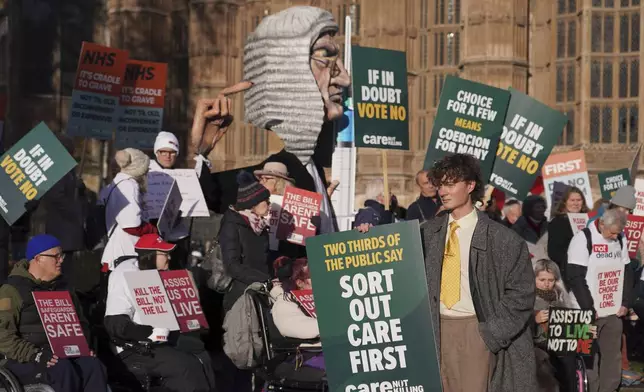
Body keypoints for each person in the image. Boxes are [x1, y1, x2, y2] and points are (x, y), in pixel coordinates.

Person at [202, 6, 351, 235]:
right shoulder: (270, 169)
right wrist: (201, 153)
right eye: (323, 56)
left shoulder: (313, 168)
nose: (344, 77)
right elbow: (203, 200)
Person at [423, 153, 536, 392]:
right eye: (440, 184)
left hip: (477, 331)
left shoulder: (503, 239)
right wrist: (368, 234)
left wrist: (490, 335)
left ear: (470, 185)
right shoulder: (426, 233)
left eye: (450, 184)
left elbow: (522, 293)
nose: (443, 191)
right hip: (434, 330)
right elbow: (396, 259)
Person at [104, 234, 215, 392]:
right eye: (164, 254)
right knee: (186, 366)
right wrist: (145, 332)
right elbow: (115, 323)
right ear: (150, 256)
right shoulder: (125, 275)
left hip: (166, 339)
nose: (169, 258)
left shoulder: (161, 274)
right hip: (135, 345)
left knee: (201, 354)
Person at [0, 234, 107, 392]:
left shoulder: (65, 288)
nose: (61, 260)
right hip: (25, 358)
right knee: (62, 369)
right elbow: (3, 335)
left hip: (62, 353)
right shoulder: (12, 290)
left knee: (93, 366)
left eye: (61, 255)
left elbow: (81, 323)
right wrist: (35, 354)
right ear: (38, 258)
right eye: (55, 256)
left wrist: (83, 346)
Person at [566, 208, 632, 392]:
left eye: (617, 233)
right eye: (611, 232)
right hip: (585, 310)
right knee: (588, 358)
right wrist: (589, 308)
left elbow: (626, 271)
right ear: (601, 224)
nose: (614, 237)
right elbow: (575, 277)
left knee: (612, 356)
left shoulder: (620, 237)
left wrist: (625, 303)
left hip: (612, 310)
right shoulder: (582, 239)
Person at [219, 171, 272, 312]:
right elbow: (232, 265)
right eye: (265, 200)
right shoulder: (232, 224)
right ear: (252, 204)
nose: (269, 204)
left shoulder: (259, 225)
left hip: (260, 291)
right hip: (241, 296)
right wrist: (264, 279)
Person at [100, 148, 156, 271]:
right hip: (125, 254)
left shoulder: (114, 184)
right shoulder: (129, 185)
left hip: (116, 252)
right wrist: (151, 229)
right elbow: (131, 225)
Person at [532, 260, 575, 392]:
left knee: (569, 360)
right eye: (542, 279)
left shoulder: (561, 297)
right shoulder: (526, 298)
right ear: (533, 278)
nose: (546, 284)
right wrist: (534, 320)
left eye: (550, 280)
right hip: (537, 345)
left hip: (561, 343)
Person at [269, 257, 319, 340]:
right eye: (313, 276)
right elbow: (294, 327)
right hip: (313, 349)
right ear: (300, 283)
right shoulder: (284, 303)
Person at [547, 187, 590, 282]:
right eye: (572, 200)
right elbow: (554, 253)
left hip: (590, 270)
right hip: (569, 273)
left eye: (578, 200)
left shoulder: (590, 220)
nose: (575, 203)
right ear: (565, 202)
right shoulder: (557, 222)